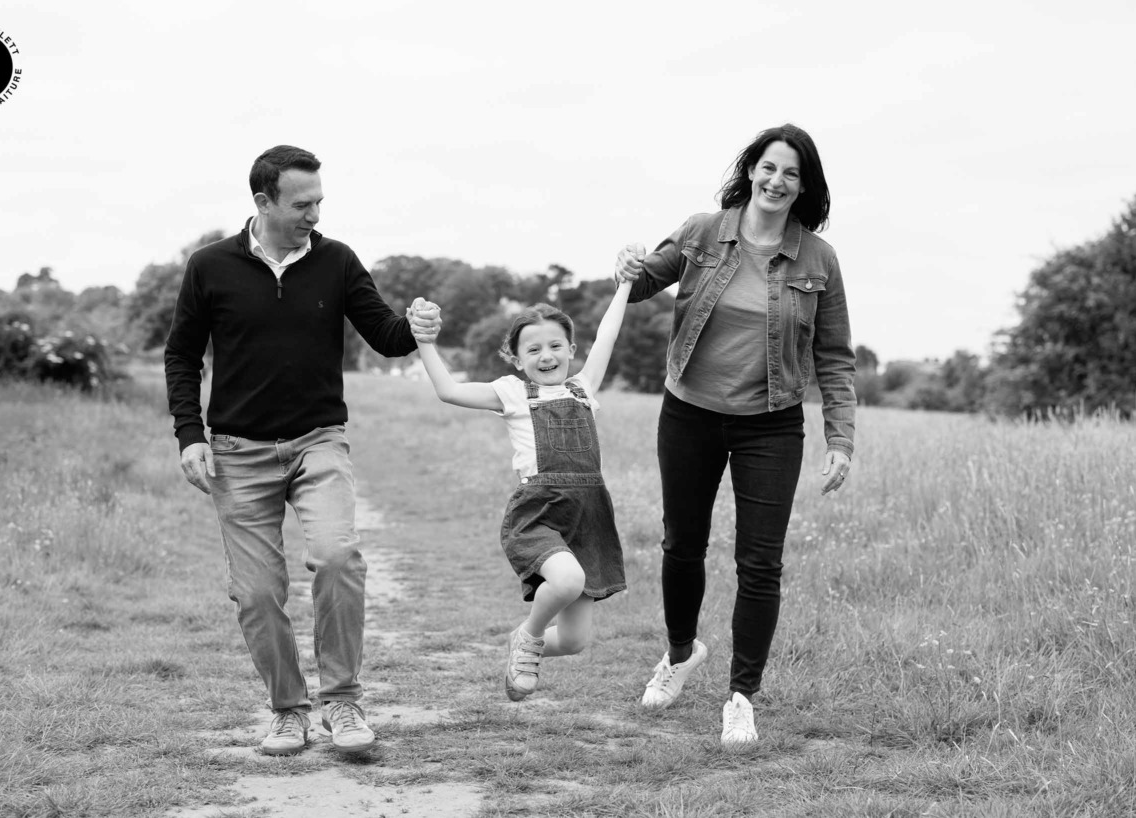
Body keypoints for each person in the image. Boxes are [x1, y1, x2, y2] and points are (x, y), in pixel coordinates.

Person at [164, 145, 440, 756]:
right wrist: (190, 435)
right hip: (237, 451)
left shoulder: (337, 261)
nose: (315, 213)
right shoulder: (209, 266)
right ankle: (288, 711)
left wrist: (417, 324)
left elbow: (388, 337)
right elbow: (181, 356)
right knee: (258, 593)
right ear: (263, 203)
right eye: (302, 203)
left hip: (319, 440)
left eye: (319, 201)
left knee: (339, 557)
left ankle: (342, 702)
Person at [614, 123, 856, 745]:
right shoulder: (703, 231)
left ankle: (741, 695)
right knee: (682, 544)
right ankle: (678, 653)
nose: (777, 182)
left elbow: (834, 356)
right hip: (689, 411)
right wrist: (627, 263)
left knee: (760, 563)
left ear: (806, 187)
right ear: (751, 170)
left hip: (771, 424)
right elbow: (640, 283)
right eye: (769, 168)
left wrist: (840, 438)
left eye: (792, 174)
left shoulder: (817, 259)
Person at [407, 282, 633, 701]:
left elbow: (609, 334)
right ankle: (529, 636)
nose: (546, 356)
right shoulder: (511, 392)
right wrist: (425, 342)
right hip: (540, 512)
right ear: (516, 358)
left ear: (570, 349)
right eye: (533, 350)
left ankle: (523, 640)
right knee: (566, 581)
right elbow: (449, 391)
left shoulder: (584, 388)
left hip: (589, 516)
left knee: (573, 641)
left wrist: (626, 285)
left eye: (555, 346)